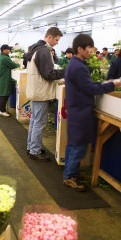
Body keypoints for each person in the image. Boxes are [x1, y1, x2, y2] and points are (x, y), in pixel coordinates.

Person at [63, 34, 121, 191]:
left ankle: (70, 171)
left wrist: (103, 83)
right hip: (80, 110)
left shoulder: (77, 64)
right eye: (89, 48)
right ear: (80, 49)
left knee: (74, 143)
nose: (91, 51)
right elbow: (90, 89)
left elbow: (87, 84)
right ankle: (69, 176)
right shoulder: (78, 66)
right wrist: (112, 84)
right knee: (78, 145)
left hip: (77, 109)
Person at [24, 27, 65, 161]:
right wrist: (66, 71)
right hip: (41, 92)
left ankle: (31, 147)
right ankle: (35, 150)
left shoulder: (34, 49)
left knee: (35, 121)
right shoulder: (44, 51)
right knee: (39, 122)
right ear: (50, 37)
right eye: (56, 40)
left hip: (35, 90)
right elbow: (48, 74)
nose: (57, 43)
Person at [0, 44, 20, 117]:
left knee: (4, 94)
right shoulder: (4, 58)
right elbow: (13, 65)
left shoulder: (3, 57)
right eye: (8, 49)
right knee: (4, 95)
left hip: (4, 78)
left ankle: (3, 109)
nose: (9, 50)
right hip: (5, 78)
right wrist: (19, 65)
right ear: (4, 50)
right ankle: (2, 110)